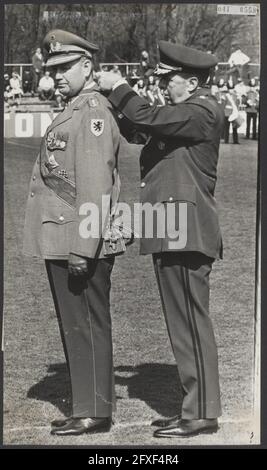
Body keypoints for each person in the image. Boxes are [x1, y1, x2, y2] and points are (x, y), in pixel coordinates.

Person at [98, 41, 224, 438]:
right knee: (181, 323)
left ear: (190, 81)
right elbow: (141, 126)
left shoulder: (203, 109)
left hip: (185, 230)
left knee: (190, 322)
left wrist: (120, 88)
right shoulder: (185, 112)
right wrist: (112, 103)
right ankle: (194, 407)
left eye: (169, 80)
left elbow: (148, 115)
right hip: (171, 228)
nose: (165, 86)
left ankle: (202, 411)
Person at [23, 29, 124, 436]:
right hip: (65, 237)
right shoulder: (75, 109)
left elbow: (96, 185)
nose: (57, 75)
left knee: (86, 323)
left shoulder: (93, 113)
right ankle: (87, 403)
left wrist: (84, 248)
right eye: (53, 69)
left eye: (65, 67)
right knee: (76, 324)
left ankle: (95, 410)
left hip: (80, 240)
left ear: (87, 66)